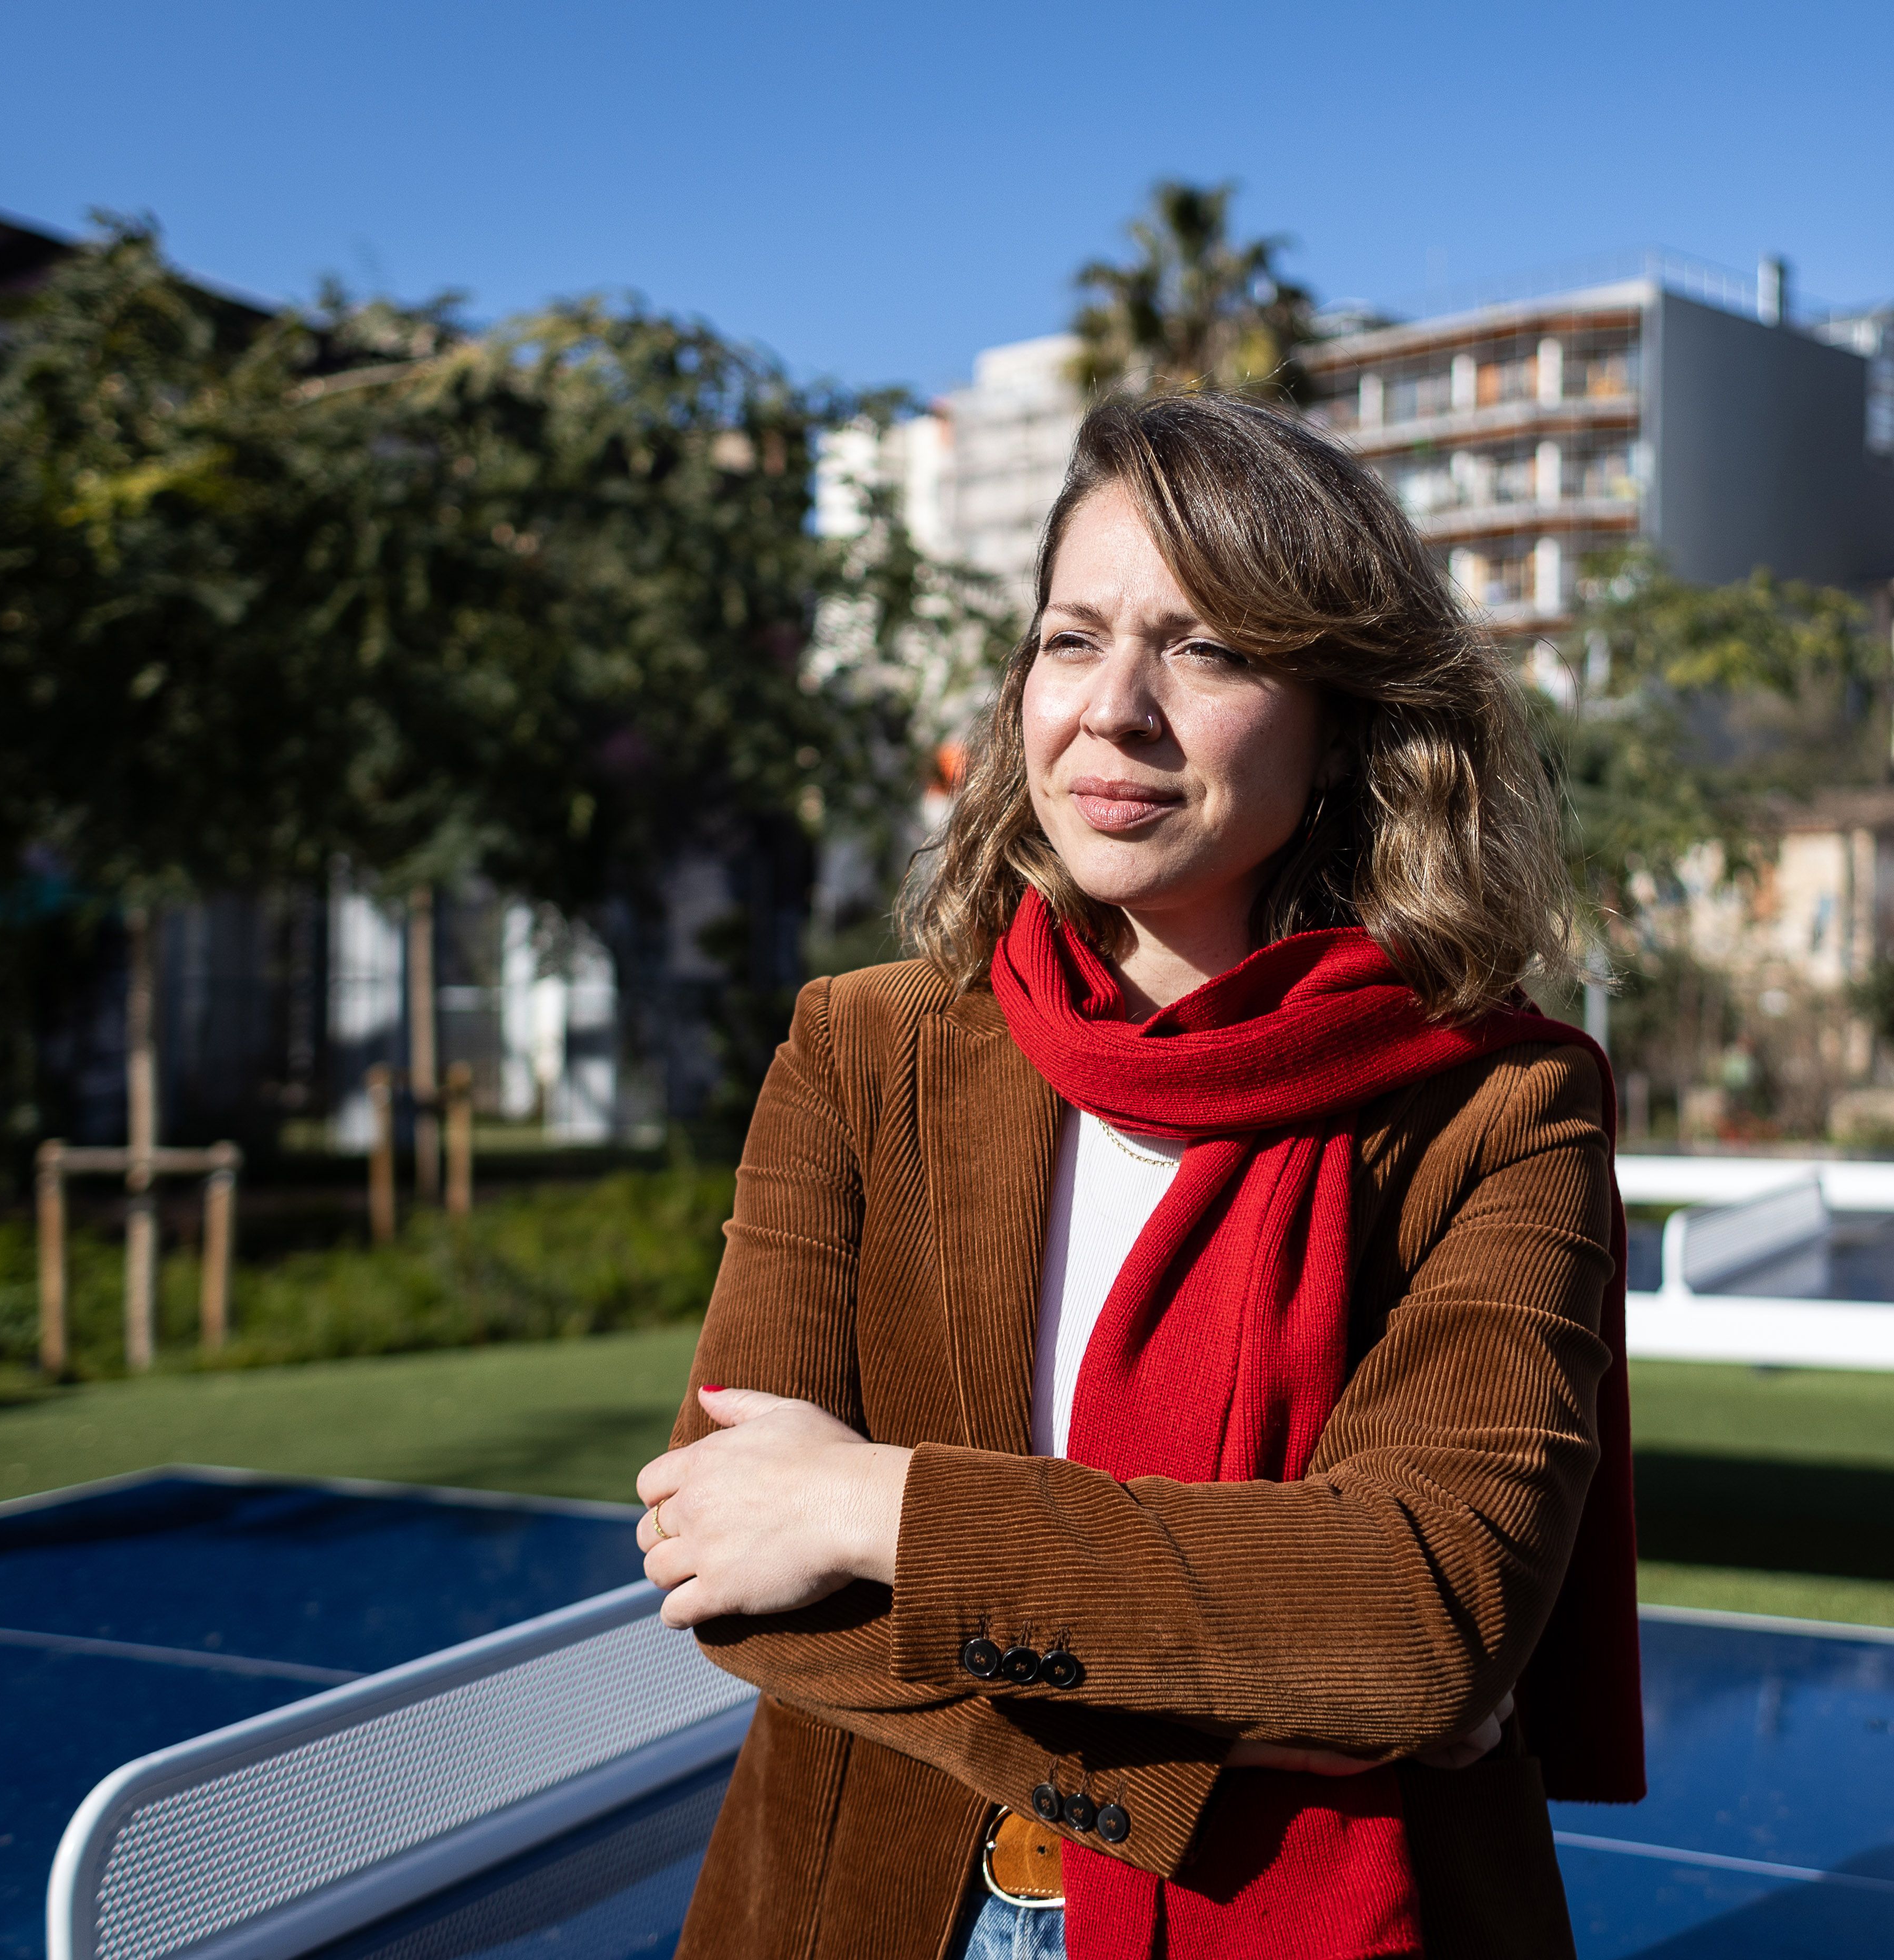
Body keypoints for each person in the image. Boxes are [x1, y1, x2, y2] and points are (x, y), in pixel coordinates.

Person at [632, 391, 1639, 1960]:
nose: (1114, 709)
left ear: (1346, 717)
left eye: (1208, 648)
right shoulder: (861, 1050)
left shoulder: (1502, 1107)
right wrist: (1237, 1710)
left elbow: (1414, 1617)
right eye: (1069, 638)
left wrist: (872, 1503)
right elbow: (733, 1564)